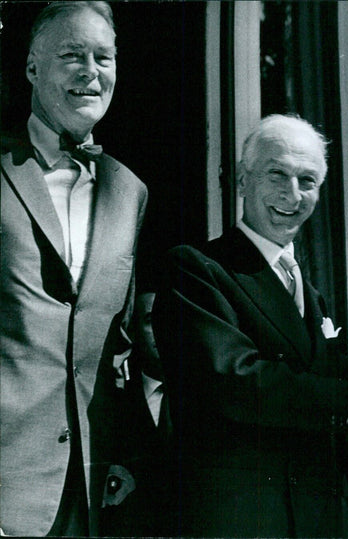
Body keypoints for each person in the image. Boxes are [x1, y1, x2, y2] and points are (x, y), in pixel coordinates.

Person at [151, 114, 348, 537]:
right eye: (277, 175)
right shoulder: (197, 270)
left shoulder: (311, 293)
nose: (292, 194)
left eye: (307, 180)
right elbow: (238, 383)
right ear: (243, 180)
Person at [0, 2, 148, 535]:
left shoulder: (130, 191)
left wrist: (125, 449)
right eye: (72, 55)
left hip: (88, 490)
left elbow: (119, 341)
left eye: (103, 57)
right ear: (33, 69)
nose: (91, 71)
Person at [100, 289, 174, 535]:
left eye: (172, 318)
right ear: (131, 331)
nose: (166, 330)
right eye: (152, 320)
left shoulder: (210, 404)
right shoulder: (112, 404)